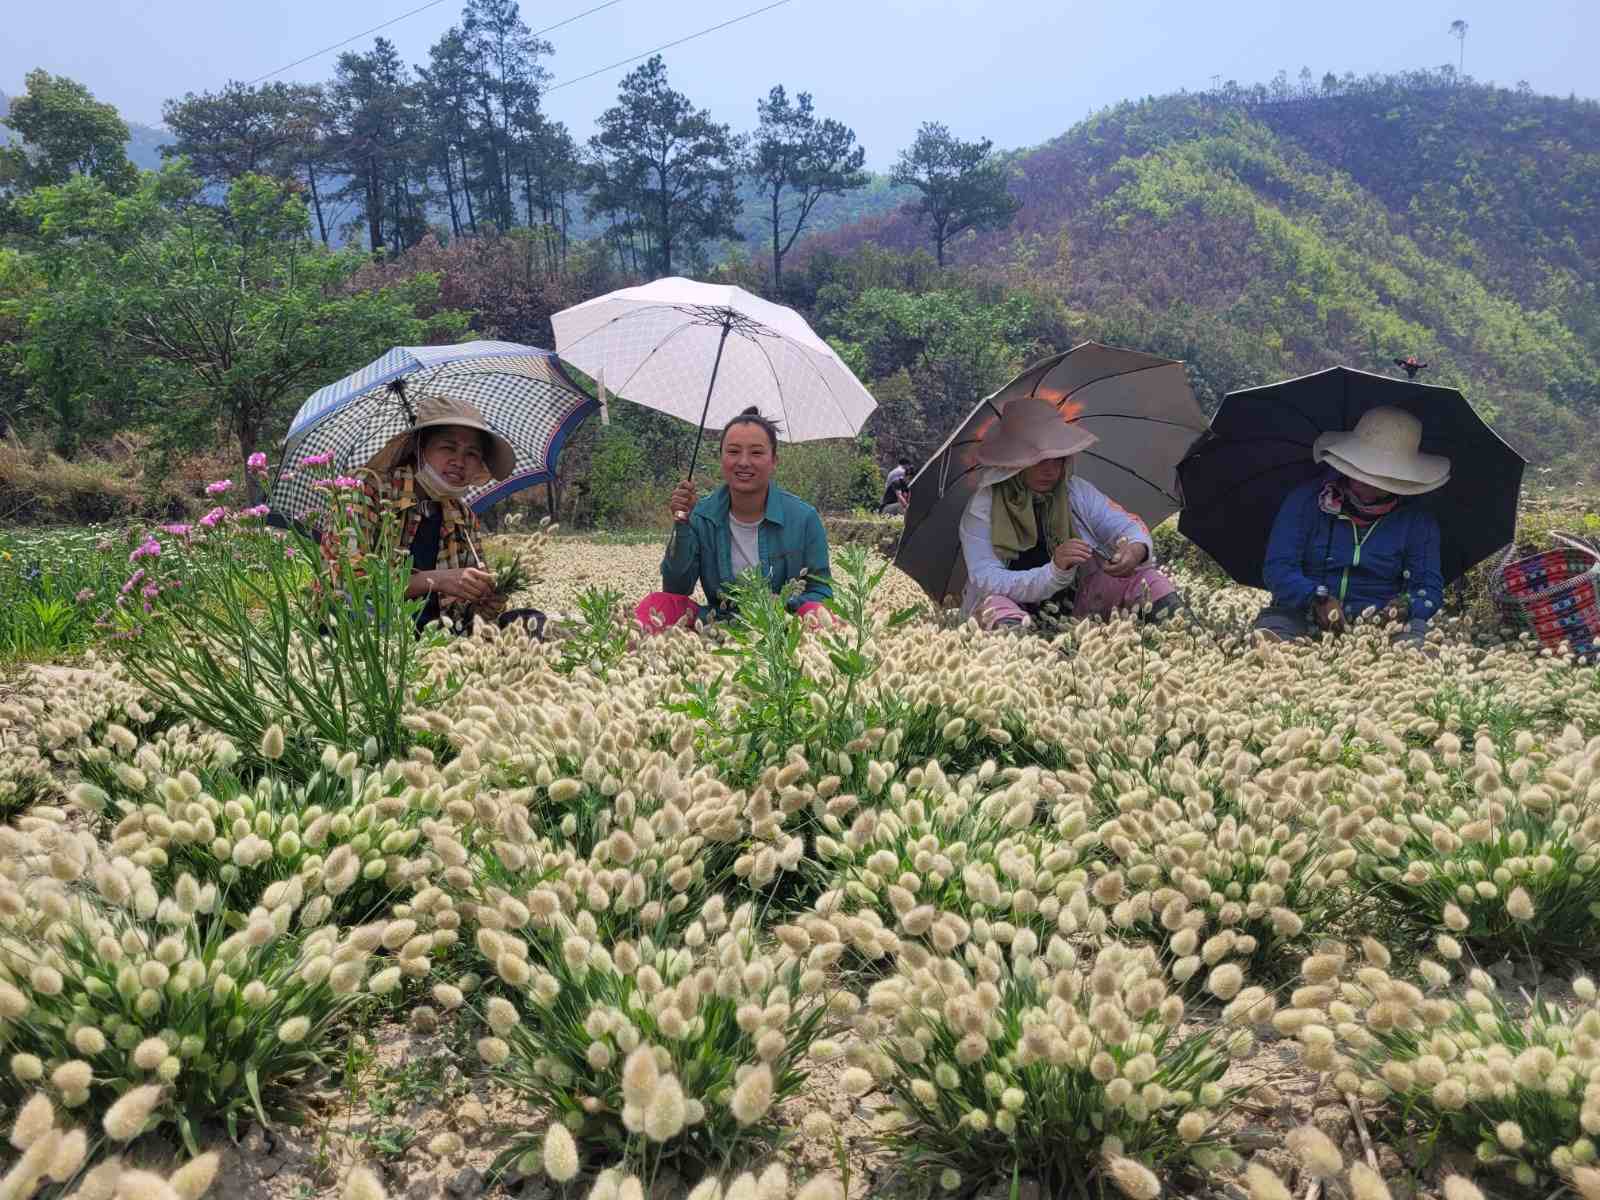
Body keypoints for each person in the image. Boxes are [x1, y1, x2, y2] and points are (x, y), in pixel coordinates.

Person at [324, 394, 539, 635]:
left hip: (436, 638)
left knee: (530, 622)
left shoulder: (461, 516)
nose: (459, 461)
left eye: (472, 454)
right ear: (419, 449)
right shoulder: (365, 490)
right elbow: (349, 581)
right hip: (370, 632)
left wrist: (482, 605)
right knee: (371, 614)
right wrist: (435, 580)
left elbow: (463, 616)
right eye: (448, 447)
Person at [959, 397, 1180, 629]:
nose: (1051, 470)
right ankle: (1026, 658)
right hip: (1012, 605)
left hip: (1078, 606)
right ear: (1015, 462)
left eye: (1059, 459)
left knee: (1149, 582)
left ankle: (1179, 639)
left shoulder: (1074, 492)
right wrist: (1054, 571)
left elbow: (1125, 525)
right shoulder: (983, 507)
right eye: (1040, 460)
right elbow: (988, 580)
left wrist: (1136, 548)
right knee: (997, 610)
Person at [1254, 406, 1449, 646]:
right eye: (1362, 473)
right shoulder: (1306, 501)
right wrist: (1316, 598)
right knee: (1269, 644)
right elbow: (1279, 569)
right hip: (1300, 613)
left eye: (1381, 480)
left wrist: (1404, 607)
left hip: (1383, 626)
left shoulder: (1418, 522)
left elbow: (1428, 588)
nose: (1367, 485)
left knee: (1420, 651)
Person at [636, 406, 833, 631]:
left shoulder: (804, 518)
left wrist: (784, 603)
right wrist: (682, 524)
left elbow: (822, 593)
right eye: (733, 451)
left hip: (784, 622)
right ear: (721, 458)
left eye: (756, 453)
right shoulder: (701, 515)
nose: (744, 462)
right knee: (657, 605)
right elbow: (676, 589)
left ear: (774, 460)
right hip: (719, 621)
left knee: (821, 614)